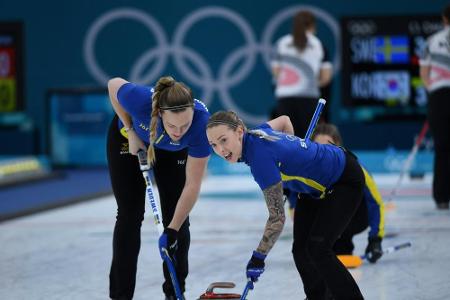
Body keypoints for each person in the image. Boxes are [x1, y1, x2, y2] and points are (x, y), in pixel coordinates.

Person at [206, 111, 365, 300]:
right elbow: (284, 121)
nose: (221, 150)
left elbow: (277, 218)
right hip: (311, 188)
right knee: (301, 250)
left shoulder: (260, 160)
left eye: (224, 140)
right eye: (214, 145)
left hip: (344, 178)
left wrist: (259, 257)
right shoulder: (257, 132)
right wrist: (297, 152)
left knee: (318, 248)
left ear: (239, 131)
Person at [107, 76, 210, 300]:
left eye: (185, 125)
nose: (179, 131)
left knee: (178, 219)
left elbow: (192, 186)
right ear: (160, 113)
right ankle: (120, 296)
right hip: (130, 140)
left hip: (172, 153)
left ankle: (175, 292)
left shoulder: (202, 125)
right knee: (129, 215)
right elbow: (113, 85)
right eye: (172, 125)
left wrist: (171, 229)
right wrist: (131, 130)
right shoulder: (141, 100)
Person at [312, 123, 384, 263]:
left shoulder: (356, 169)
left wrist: (375, 239)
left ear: (339, 146)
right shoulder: (306, 169)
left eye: (328, 147)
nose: (323, 153)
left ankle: (341, 239)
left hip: (354, 219)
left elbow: (376, 203)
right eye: (318, 148)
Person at [271, 10, 332, 138]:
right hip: (309, 100)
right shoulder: (319, 45)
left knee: (286, 141)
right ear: (312, 26)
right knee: (308, 141)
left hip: (285, 99)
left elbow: (276, 74)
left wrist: (290, 85)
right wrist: (311, 85)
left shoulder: (282, 43)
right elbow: (326, 78)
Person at [419, 4, 450, 210]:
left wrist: (433, 91)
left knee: (442, 147)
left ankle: (441, 197)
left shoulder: (432, 41)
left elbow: (424, 73)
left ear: (444, 19)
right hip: (440, 95)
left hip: (439, 96)